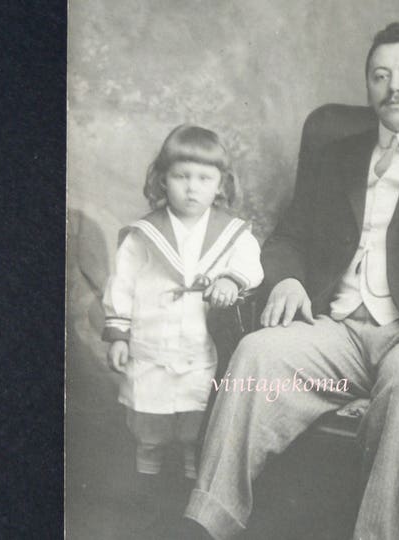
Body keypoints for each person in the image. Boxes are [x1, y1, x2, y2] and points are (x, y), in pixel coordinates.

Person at [185, 22, 399, 540]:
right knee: (257, 353)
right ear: (369, 86)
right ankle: (206, 525)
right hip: (336, 330)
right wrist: (287, 281)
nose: (393, 86)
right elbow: (289, 238)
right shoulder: (335, 160)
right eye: (380, 75)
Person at [101, 124, 263, 522]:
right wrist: (119, 334)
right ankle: (147, 473)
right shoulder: (144, 234)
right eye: (181, 176)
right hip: (151, 338)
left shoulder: (231, 233)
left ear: (220, 184)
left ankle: (194, 475)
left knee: (197, 409)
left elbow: (251, 266)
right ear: (162, 179)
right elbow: (120, 285)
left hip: (197, 341)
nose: (192, 188)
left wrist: (230, 279)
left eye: (204, 178)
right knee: (149, 411)